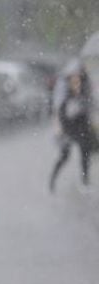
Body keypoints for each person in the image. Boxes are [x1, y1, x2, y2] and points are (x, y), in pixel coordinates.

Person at [49, 65, 95, 193]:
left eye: (78, 81)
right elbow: (63, 119)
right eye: (73, 82)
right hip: (68, 133)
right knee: (64, 156)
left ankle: (85, 181)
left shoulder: (84, 96)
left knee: (85, 154)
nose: (76, 84)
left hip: (81, 132)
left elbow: (88, 114)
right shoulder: (65, 99)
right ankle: (52, 181)